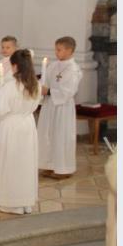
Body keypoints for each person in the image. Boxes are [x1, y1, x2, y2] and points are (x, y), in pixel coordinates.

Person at [0, 50, 41, 215]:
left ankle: (11, 203)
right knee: (25, 163)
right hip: (28, 124)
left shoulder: (10, 86)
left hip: (11, 125)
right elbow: (35, 105)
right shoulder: (35, 84)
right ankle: (25, 202)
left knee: (11, 163)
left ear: (14, 65)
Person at [38, 36, 82, 179]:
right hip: (49, 106)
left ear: (69, 50)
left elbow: (69, 90)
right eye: (55, 49)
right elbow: (43, 81)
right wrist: (39, 87)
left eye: (59, 50)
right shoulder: (53, 65)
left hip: (63, 107)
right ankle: (49, 165)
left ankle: (63, 169)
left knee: (61, 136)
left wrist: (49, 91)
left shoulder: (73, 69)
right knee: (47, 135)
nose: (56, 52)